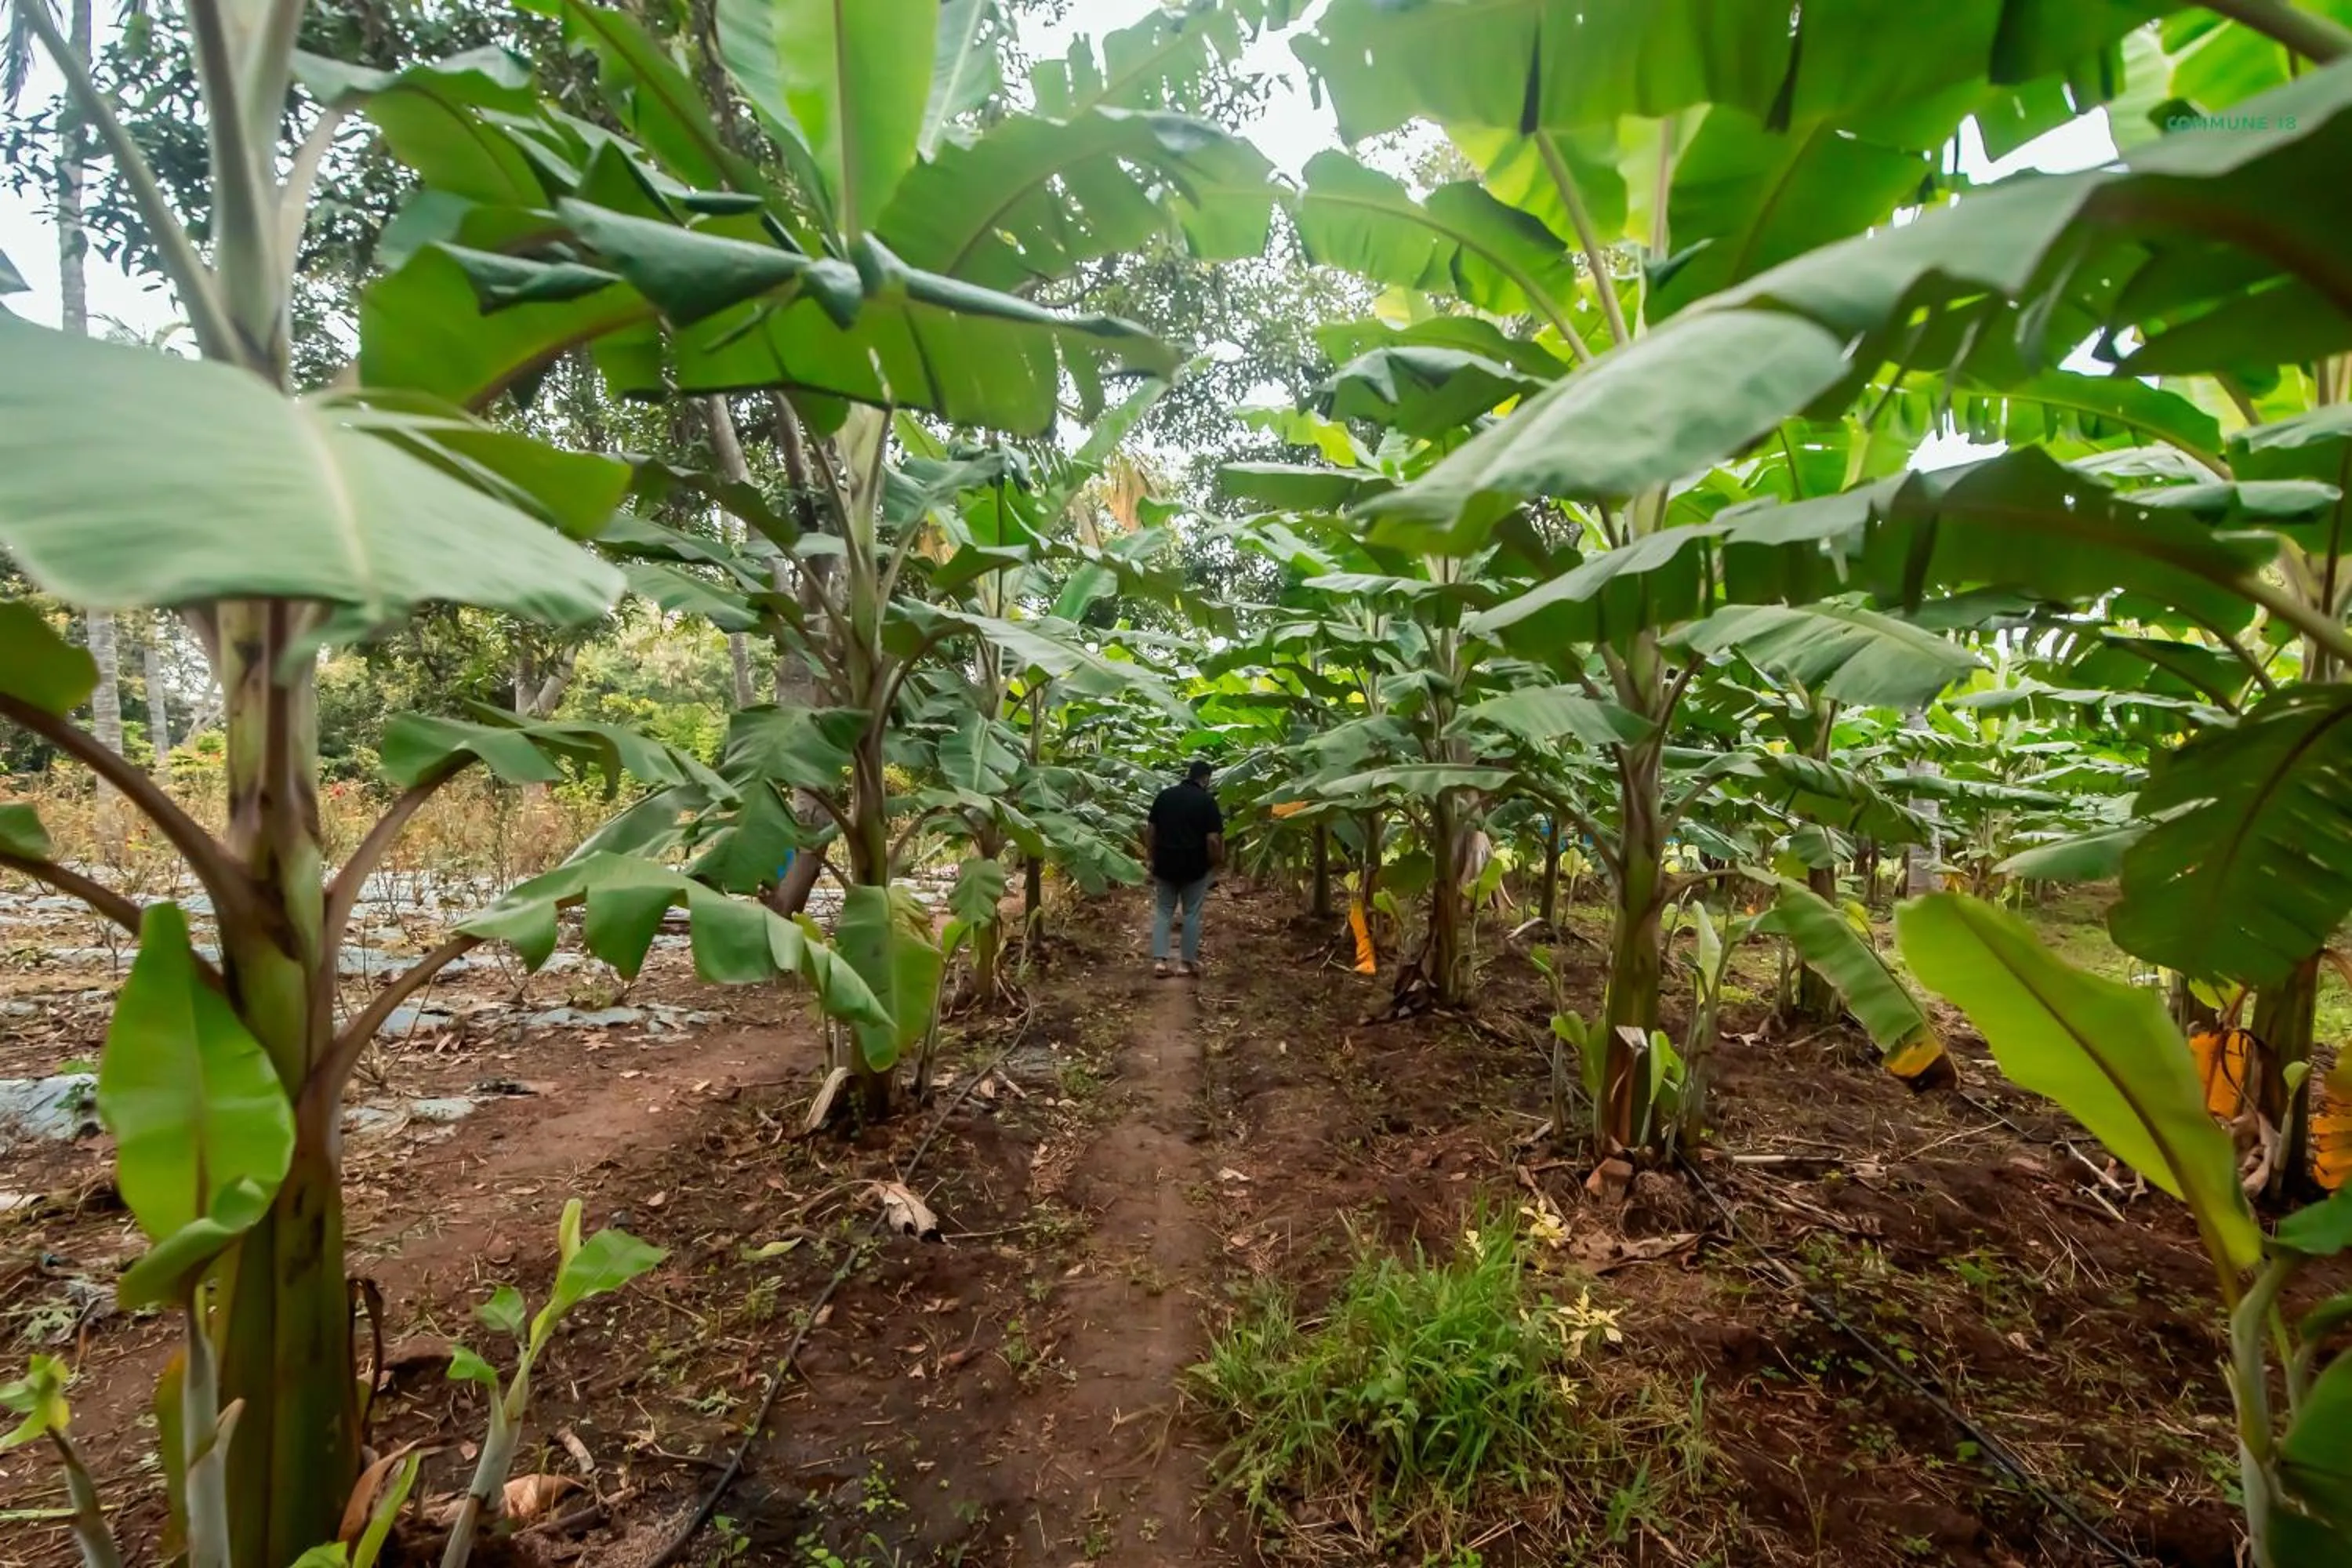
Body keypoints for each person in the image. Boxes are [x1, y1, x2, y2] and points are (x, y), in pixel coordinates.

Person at [1142, 759, 1224, 978]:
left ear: (1189, 774)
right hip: (1194, 867)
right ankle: (1185, 964)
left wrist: (1151, 858)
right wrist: (1216, 863)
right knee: (1191, 914)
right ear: (1205, 778)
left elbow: (1150, 831)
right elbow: (1213, 840)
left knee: (1163, 911)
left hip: (1165, 864)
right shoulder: (1207, 802)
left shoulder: (1165, 796)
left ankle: (1160, 961)